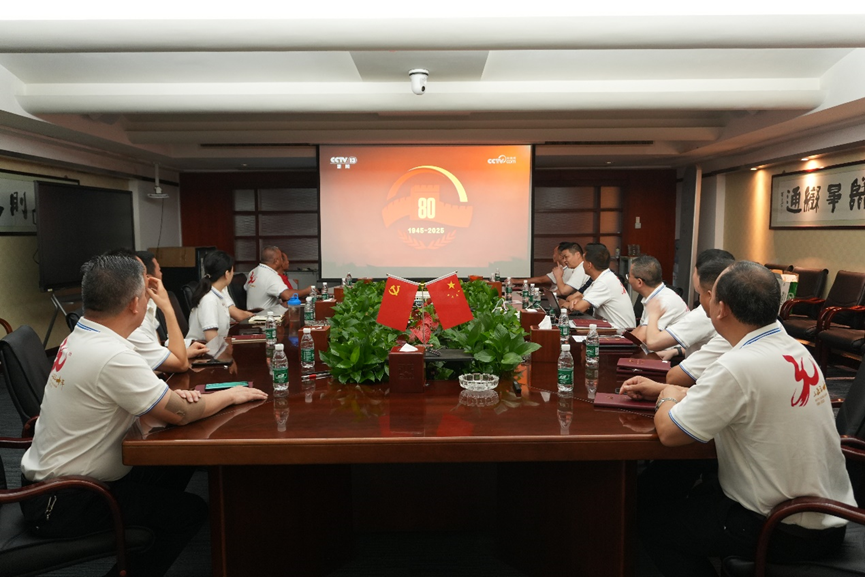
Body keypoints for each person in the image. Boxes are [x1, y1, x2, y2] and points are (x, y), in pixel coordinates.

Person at [20, 254, 268, 577]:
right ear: (136, 303)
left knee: (179, 460)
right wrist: (231, 394)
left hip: (54, 484)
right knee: (189, 512)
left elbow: (143, 401)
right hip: (64, 501)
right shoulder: (112, 354)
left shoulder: (82, 336)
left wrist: (166, 399)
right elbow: (181, 414)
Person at [621, 261, 854, 576]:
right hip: (829, 514)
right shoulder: (794, 349)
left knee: (653, 524)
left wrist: (667, 397)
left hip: (783, 527)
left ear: (721, 309)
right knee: (679, 490)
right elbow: (744, 398)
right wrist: (666, 389)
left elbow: (669, 432)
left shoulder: (737, 365)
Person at [124, 250, 208, 373]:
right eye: (144, 275)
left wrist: (183, 354)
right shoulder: (132, 324)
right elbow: (179, 364)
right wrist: (167, 307)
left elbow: (153, 358)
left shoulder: (147, 309)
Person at [642, 249, 734, 356]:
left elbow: (653, 343)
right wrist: (676, 351)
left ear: (700, 276)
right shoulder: (732, 306)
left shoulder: (703, 314)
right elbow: (708, 345)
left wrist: (653, 313)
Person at [663, 255, 737, 386]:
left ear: (711, 297)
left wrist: (654, 312)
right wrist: (677, 351)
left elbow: (674, 377)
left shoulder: (728, 337)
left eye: (700, 294)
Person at [564, 243, 636, 330]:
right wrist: (578, 299)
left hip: (622, 332)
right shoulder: (604, 277)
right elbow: (582, 297)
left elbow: (579, 308)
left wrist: (568, 305)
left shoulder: (604, 282)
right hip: (612, 328)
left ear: (589, 265)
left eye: (584, 261)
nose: (582, 264)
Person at [187, 250, 254, 342]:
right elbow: (212, 340)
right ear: (227, 274)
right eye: (232, 271)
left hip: (217, 346)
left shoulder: (219, 294)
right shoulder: (209, 300)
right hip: (203, 348)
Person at [627, 255, 689, 343]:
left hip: (672, 351)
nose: (628, 280)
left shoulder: (663, 301)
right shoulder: (654, 295)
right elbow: (640, 328)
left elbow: (641, 338)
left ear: (639, 282)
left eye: (629, 276)